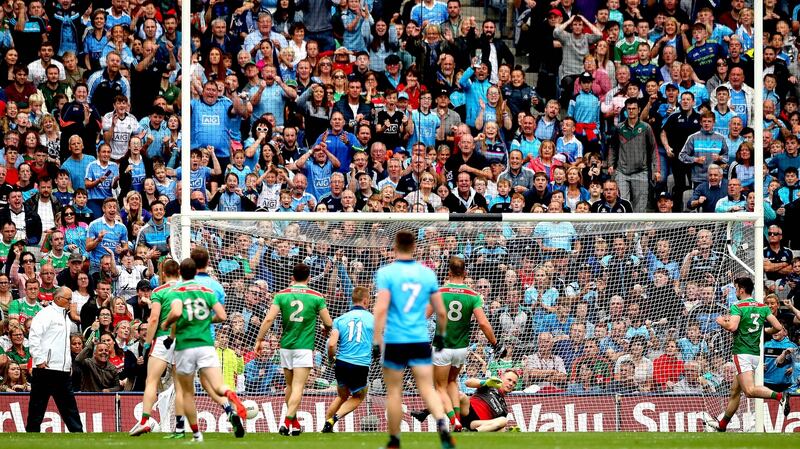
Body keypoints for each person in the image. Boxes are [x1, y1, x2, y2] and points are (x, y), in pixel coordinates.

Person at [372, 230, 455, 449]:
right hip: (419, 338)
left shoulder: (386, 273)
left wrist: (376, 339)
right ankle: (442, 426)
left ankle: (394, 440)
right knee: (427, 388)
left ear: (395, 247)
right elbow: (441, 312)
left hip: (395, 339)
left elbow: (380, 309)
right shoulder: (427, 274)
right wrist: (441, 337)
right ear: (415, 247)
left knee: (394, 391)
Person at [161, 258, 247, 442]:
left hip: (185, 347)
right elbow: (222, 315)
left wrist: (166, 323)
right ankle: (230, 397)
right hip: (206, 345)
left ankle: (196, 435)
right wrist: (207, 320)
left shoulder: (177, 291)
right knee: (217, 385)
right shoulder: (207, 291)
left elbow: (176, 313)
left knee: (187, 393)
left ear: (180, 274)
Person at [254, 262, 333, 436]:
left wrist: (259, 339)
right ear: (309, 277)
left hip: (286, 347)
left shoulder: (281, 295)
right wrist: (325, 329)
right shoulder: (316, 296)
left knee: (289, 386)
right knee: (298, 386)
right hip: (304, 347)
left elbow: (268, 320)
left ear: (292, 277)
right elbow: (328, 323)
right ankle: (286, 421)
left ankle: (295, 424)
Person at [433, 256, 503, 431]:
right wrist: (495, 344)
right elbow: (483, 323)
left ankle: (454, 421)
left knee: (439, 386)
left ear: (448, 272)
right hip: (461, 348)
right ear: (465, 273)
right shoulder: (473, 296)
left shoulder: (439, 292)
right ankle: (457, 419)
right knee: (453, 381)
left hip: (442, 346)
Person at [711, 277, 789, 431]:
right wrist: (765, 330)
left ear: (741, 289)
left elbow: (732, 327)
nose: (735, 291)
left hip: (742, 352)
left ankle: (780, 396)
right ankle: (722, 426)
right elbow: (778, 326)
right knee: (735, 391)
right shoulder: (762, 306)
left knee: (749, 391)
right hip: (754, 354)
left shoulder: (738, 306)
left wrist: (720, 321)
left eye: (736, 288)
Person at [129, 259, 183, 437]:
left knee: (151, 380)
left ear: (163, 273)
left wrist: (146, 342)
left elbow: (153, 319)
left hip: (163, 338)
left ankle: (144, 421)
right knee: (179, 385)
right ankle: (180, 428)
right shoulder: (188, 291)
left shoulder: (159, 291)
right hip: (184, 339)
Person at [26, 287, 84, 433]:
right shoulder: (45, 314)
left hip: (62, 370)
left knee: (70, 407)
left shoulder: (65, 316)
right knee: (37, 406)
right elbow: (34, 337)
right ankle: (31, 434)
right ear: (58, 299)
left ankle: (78, 434)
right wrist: (39, 360)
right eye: (68, 299)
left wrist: (68, 364)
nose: (71, 302)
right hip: (46, 369)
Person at [321, 286, 375, 433]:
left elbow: (332, 344)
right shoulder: (373, 319)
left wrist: (332, 359)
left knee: (342, 396)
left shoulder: (339, 319)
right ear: (365, 300)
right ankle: (334, 419)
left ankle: (327, 425)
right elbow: (378, 344)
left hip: (342, 363)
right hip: (360, 364)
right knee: (358, 396)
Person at [412, 370, 518, 432]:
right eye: (509, 380)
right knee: (460, 395)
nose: (511, 384)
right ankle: (425, 412)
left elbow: (496, 427)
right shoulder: (490, 385)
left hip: (476, 424)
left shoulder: (505, 408)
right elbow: (468, 382)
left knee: (503, 421)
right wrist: (485, 382)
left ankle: (471, 432)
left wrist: (509, 431)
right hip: (467, 410)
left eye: (514, 383)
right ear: (501, 377)